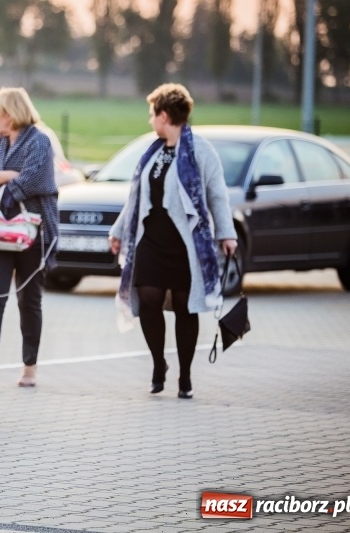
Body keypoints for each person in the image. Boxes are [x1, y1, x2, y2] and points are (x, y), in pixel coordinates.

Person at [108, 83, 237, 399]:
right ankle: (158, 365)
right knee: (148, 301)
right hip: (150, 240)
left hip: (186, 243)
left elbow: (217, 194)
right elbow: (136, 196)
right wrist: (118, 230)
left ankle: (186, 376)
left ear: (164, 115)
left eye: (153, 114)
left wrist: (227, 233)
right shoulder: (152, 151)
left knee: (184, 306)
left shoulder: (201, 150)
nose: (150, 121)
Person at [0, 87, 59, 390]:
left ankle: (30, 367)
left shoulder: (40, 141)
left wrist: (1, 179)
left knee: (29, 299)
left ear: (13, 112)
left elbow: (36, 179)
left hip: (33, 234)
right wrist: (11, 175)